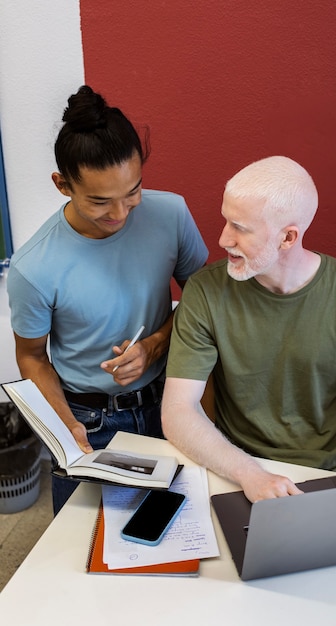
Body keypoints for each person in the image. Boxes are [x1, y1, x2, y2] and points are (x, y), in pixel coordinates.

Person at [7, 85, 208, 513]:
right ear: (63, 185)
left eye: (132, 192)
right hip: (89, 420)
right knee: (85, 551)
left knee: (179, 532)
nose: (120, 214)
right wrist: (65, 427)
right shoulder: (33, 267)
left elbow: (206, 301)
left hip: (172, 401)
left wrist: (154, 345)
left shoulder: (171, 214)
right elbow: (33, 358)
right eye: (100, 201)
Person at [161, 155, 336, 503]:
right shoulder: (205, 292)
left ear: (288, 237)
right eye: (226, 221)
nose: (223, 239)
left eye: (240, 228)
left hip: (333, 476)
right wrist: (250, 474)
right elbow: (177, 412)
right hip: (240, 470)